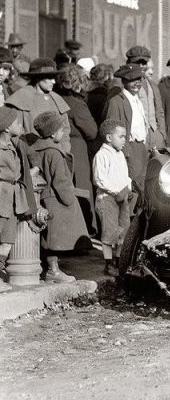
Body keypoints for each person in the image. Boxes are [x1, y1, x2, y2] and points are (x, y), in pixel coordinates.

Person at [30, 111, 88, 282]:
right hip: (56, 199)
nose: (63, 133)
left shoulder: (36, 148)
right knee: (54, 239)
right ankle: (53, 271)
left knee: (46, 236)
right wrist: (70, 199)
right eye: (62, 130)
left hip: (43, 197)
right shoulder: (54, 152)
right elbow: (60, 180)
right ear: (53, 133)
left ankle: (49, 269)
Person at [56, 65, 98, 234]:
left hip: (61, 147)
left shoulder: (57, 98)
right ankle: (85, 230)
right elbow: (92, 131)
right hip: (78, 150)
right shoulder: (77, 103)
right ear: (78, 83)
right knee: (81, 187)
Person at [5, 58, 71, 152]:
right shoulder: (21, 98)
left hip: (56, 156)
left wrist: (63, 153)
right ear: (38, 77)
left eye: (54, 78)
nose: (54, 82)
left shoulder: (57, 99)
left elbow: (65, 132)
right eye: (49, 78)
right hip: (30, 156)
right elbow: (15, 133)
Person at [93, 119, 132, 277]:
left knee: (124, 230)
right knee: (109, 232)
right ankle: (108, 263)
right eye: (121, 136)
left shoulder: (120, 155)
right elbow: (99, 179)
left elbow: (125, 175)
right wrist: (116, 191)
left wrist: (127, 188)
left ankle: (118, 260)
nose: (124, 140)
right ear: (109, 138)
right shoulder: (101, 155)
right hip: (107, 198)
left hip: (121, 197)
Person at [0, 107, 33, 291]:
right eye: (16, 122)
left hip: (13, 199)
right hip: (1, 195)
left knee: (7, 240)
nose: (20, 125)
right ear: (5, 128)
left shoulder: (15, 145)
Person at [105, 64, 148, 195]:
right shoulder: (116, 101)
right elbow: (111, 128)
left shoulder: (137, 100)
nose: (137, 83)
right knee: (132, 187)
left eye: (139, 80)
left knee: (143, 186)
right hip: (129, 150)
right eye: (132, 80)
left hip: (141, 149)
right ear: (124, 81)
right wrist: (125, 151)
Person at [125, 46, 166, 151]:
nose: (141, 66)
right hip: (135, 139)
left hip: (154, 137)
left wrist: (161, 134)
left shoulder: (152, 84)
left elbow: (159, 112)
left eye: (144, 63)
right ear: (129, 63)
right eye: (137, 63)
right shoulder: (123, 84)